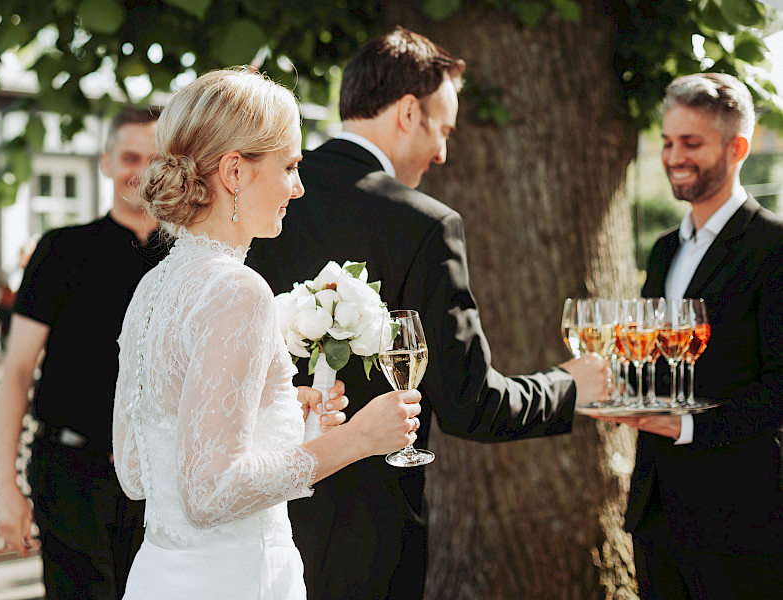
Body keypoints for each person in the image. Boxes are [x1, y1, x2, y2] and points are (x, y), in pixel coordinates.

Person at [246, 27, 610, 600]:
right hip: (363, 536)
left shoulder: (256, 195)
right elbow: (471, 404)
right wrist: (570, 386)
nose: (443, 152)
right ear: (409, 112)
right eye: (443, 129)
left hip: (250, 514)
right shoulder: (422, 223)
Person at [111, 67, 423, 600]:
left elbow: (138, 470)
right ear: (234, 171)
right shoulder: (238, 291)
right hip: (236, 580)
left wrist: (281, 422)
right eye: (290, 165)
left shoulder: (153, 288)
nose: (298, 187)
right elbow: (208, 493)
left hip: (159, 575)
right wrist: (359, 438)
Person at [589, 73, 783, 599]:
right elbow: (653, 362)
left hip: (739, 523)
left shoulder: (772, 248)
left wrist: (687, 427)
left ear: (737, 147)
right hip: (655, 512)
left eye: (691, 143)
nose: (674, 156)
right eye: (669, 142)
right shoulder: (663, 251)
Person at [0, 107, 167, 600]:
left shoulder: (186, 257)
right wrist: (6, 486)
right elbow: (17, 371)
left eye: (155, 158)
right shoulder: (59, 251)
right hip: (69, 474)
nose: (142, 169)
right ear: (106, 163)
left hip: (160, 477)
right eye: (130, 156)